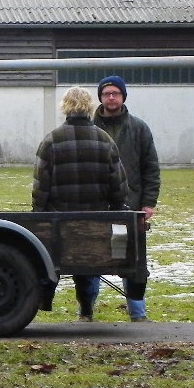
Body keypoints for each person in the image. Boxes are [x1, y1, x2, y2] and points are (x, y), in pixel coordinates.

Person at [32, 86, 127, 322]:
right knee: (88, 265)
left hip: (58, 219)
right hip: (94, 218)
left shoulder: (51, 141)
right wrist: (117, 208)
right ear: (89, 107)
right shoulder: (105, 140)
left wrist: (38, 213)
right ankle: (86, 310)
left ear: (65, 107)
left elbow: (41, 184)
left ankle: (45, 300)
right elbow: (118, 184)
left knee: (52, 261)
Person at [90, 74, 161, 322]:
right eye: (106, 93)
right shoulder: (89, 128)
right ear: (100, 97)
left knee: (134, 260)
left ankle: (138, 313)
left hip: (132, 207)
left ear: (123, 96)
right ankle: (86, 311)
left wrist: (148, 203)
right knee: (89, 259)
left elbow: (150, 168)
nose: (111, 97)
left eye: (116, 93)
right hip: (96, 206)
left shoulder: (139, 128)